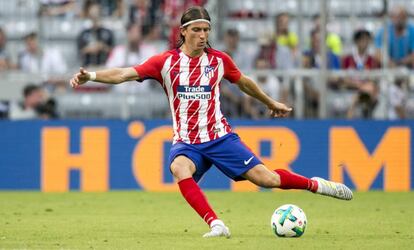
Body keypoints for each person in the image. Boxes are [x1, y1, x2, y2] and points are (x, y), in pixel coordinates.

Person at [70, 6, 353, 238]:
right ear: (183, 32)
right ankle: (216, 224)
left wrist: (269, 102)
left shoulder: (218, 61)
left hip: (220, 137)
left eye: (206, 30)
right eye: (196, 30)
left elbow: (243, 83)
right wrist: (91, 76)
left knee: (268, 179)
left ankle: (317, 185)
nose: (202, 35)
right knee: (179, 168)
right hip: (187, 141)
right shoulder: (165, 63)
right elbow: (122, 74)